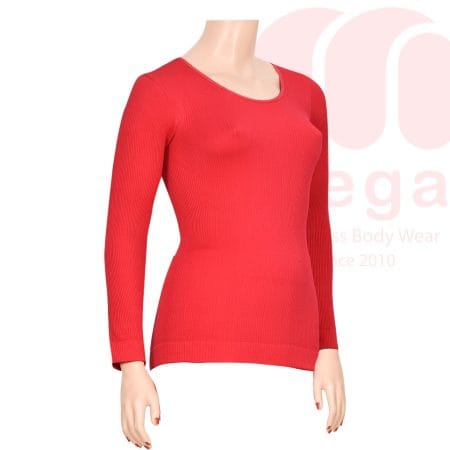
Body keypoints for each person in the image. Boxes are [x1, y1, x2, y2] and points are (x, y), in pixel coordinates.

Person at [104, 19, 346, 449]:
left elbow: (316, 228)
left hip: (300, 357)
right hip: (198, 349)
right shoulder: (159, 91)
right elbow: (125, 230)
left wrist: (329, 343)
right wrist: (130, 358)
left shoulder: (309, 96)